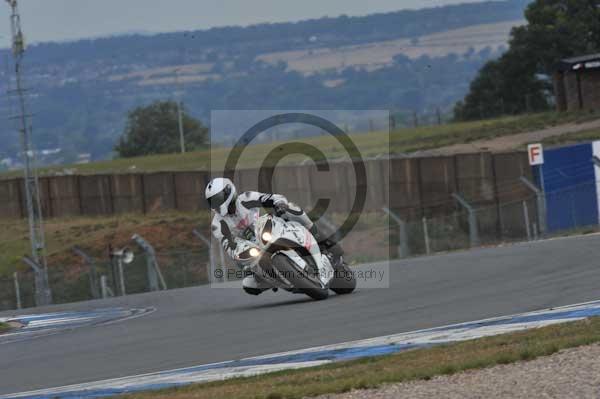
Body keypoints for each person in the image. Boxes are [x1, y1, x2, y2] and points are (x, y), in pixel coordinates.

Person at [205, 177, 337, 295]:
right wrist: (239, 254)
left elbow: (271, 198)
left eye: (217, 199)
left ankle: (319, 237)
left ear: (228, 192)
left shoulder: (246, 198)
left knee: (292, 208)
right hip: (251, 249)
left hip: (266, 229)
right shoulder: (217, 224)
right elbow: (229, 245)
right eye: (212, 201)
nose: (216, 203)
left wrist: (280, 204)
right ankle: (281, 280)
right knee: (248, 284)